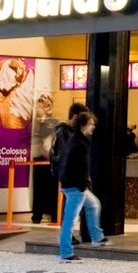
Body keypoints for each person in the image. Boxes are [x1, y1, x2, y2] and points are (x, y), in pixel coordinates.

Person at [56, 111, 107, 261]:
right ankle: (66, 253)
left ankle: (97, 237)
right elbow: (81, 167)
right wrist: (83, 184)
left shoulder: (75, 141)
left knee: (93, 204)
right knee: (70, 220)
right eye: (91, 124)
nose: (93, 126)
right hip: (76, 186)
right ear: (83, 125)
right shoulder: (79, 144)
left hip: (74, 184)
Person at [48, 102, 92, 241]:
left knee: (75, 204)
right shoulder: (64, 132)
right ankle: (67, 235)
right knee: (71, 204)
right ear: (75, 116)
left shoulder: (70, 132)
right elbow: (64, 154)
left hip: (72, 174)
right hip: (70, 175)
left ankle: (71, 234)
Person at [30, 95, 59, 224]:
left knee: (50, 188)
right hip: (41, 158)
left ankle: (52, 214)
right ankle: (39, 214)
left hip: (48, 158)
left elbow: (47, 140)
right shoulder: (37, 122)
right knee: (40, 188)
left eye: (47, 105)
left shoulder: (52, 122)